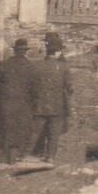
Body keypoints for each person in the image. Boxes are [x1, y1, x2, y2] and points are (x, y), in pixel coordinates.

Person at [0, 37, 38, 166]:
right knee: (17, 132)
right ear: (25, 52)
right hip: (22, 106)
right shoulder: (31, 67)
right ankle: (11, 160)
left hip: (2, 104)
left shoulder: (3, 65)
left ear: (15, 51)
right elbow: (35, 91)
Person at [32, 32, 72, 163]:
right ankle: (49, 156)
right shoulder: (63, 65)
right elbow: (69, 87)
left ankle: (26, 154)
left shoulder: (37, 65)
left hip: (40, 103)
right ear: (58, 51)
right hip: (57, 104)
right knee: (54, 132)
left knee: (36, 130)